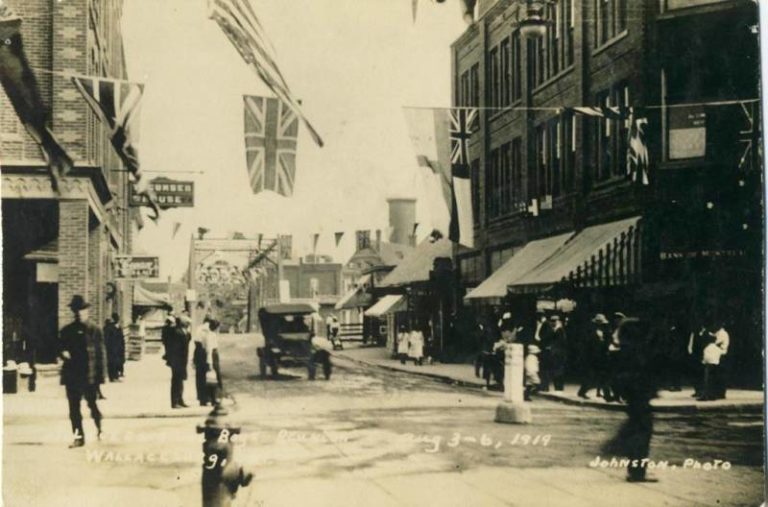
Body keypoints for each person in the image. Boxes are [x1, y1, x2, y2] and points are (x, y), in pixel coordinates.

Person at [602, 318, 658, 482]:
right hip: (639, 395)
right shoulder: (636, 353)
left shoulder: (623, 351)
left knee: (637, 428)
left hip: (633, 396)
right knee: (642, 432)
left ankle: (631, 464)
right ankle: (636, 470)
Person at [59, 295, 107, 448]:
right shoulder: (67, 331)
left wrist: (101, 377)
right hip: (72, 375)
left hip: (89, 376)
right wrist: (63, 353)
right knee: (74, 408)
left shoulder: (95, 330)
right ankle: (79, 437)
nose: (79, 313)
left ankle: (99, 427)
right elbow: (59, 346)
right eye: (76, 310)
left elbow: (101, 354)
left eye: (82, 310)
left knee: (92, 404)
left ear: (87, 311)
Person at [578, 313, 609, 399]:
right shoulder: (590, 330)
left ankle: (607, 394)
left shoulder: (604, 330)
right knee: (591, 375)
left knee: (602, 375)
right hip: (591, 356)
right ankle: (582, 392)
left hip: (600, 355)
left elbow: (605, 341)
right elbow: (587, 343)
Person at [164, 316, 191, 408]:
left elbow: (188, 339)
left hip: (182, 360)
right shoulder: (176, 332)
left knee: (180, 380)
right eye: (187, 322)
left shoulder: (184, 332)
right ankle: (175, 402)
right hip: (177, 360)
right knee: (176, 381)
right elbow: (173, 347)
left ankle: (180, 399)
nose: (188, 324)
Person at [533, 311, 554, 392]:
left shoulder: (546, 324)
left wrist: (541, 342)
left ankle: (545, 386)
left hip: (545, 349)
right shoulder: (543, 324)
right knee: (542, 368)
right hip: (543, 348)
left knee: (544, 368)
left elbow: (546, 337)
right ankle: (543, 385)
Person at [193, 317, 211, 406]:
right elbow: (207, 346)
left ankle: (200, 397)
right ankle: (205, 398)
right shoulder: (206, 330)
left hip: (197, 352)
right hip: (203, 353)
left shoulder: (198, 329)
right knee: (205, 377)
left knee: (199, 377)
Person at [548, 315, 568, 392]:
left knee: (558, 370)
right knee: (556, 370)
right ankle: (558, 386)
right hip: (557, 353)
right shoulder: (556, 330)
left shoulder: (560, 330)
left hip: (559, 353)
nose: (552, 323)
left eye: (554, 321)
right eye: (552, 321)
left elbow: (561, 342)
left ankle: (559, 387)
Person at [103, 313, 125, 382]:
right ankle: (112, 377)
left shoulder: (117, 327)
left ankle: (116, 376)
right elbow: (107, 339)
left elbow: (121, 338)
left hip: (117, 348)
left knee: (116, 362)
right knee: (112, 363)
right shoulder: (109, 328)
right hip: (112, 348)